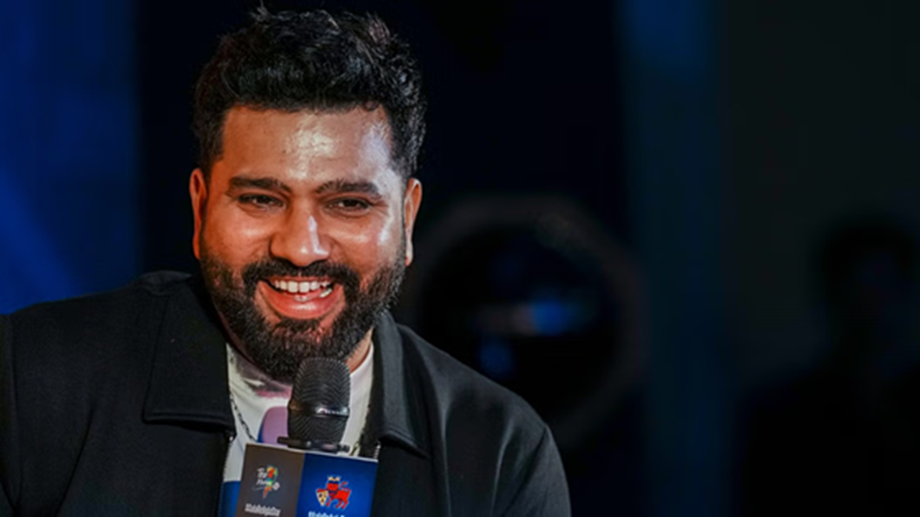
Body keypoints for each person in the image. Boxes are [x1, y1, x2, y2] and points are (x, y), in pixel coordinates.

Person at [0, 9, 570, 516]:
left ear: (407, 218)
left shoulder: (501, 452)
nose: (301, 248)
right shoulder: (30, 379)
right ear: (200, 208)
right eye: (260, 200)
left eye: (348, 204)